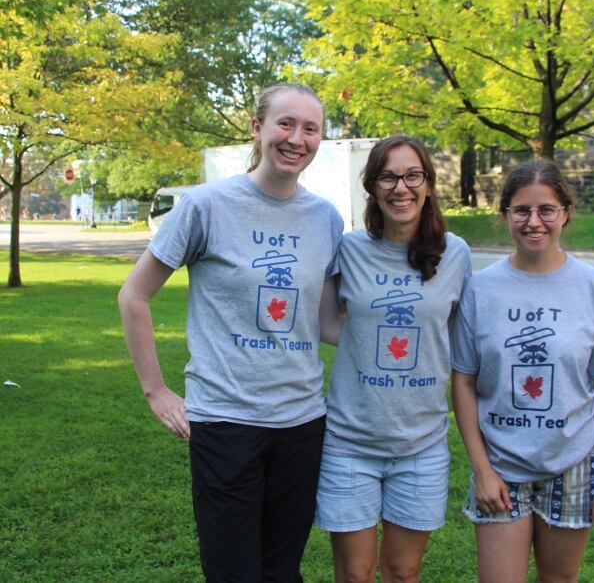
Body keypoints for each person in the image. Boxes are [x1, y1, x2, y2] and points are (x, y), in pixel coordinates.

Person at [118, 82, 343, 582]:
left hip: (302, 423)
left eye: (311, 128)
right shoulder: (205, 206)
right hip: (225, 421)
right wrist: (155, 391)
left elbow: (327, 322)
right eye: (286, 123)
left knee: (282, 571)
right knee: (233, 573)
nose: (297, 138)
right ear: (257, 128)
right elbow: (133, 296)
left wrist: (419, 328)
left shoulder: (325, 218)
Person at [450, 160, 594, 582]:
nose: (534, 222)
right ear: (506, 215)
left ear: (565, 213)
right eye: (521, 211)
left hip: (571, 462)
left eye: (546, 210)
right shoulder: (480, 288)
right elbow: (463, 381)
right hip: (500, 464)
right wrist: (481, 470)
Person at [315, 136, 472, 583]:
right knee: (355, 573)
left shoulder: (455, 255)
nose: (400, 187)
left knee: (403, 572)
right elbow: (327, 324)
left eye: (412, 175)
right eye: (387, 176)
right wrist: (366, 342)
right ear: (372, 186)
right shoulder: (349, 249)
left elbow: (460, 342)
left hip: (420, 445)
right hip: (349, 442)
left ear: (428, 184)